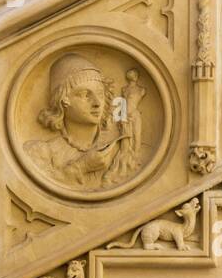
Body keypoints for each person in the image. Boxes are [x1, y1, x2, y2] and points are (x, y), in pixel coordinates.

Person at [25, 53, 141, 189]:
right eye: (85, 95)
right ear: (63, 101)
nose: (97, 103)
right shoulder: (42, 153)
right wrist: (82, 167)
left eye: (100, 93)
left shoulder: (122, 149)